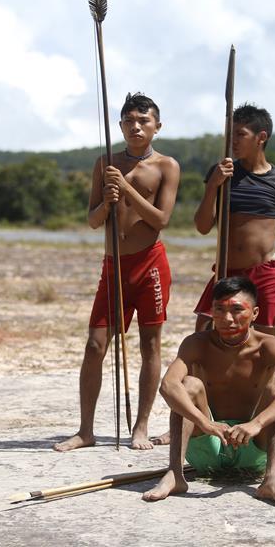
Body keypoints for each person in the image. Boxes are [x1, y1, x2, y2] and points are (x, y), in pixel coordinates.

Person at [54, 93, 180, 451]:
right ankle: (86, 430)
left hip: (150, 263)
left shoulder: (167, 166)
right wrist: (108, 202)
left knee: (150, 343)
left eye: (144, 121)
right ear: (121, 125)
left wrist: (126, 189)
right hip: (114, 265)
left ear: (157, 126)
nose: (135, 127)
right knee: (95, 345)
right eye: (129, 121)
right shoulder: (105, 163)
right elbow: (93, 222)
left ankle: (140, 427)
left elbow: (162, 220)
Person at [142, 276, 275, 505]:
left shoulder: (270, 346)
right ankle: (175, 474)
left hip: (252, 444)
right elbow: (168, 385)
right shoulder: (196, 343)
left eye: (237, 310)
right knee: (189, 385)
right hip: (208, 443)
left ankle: (271, 479)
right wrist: (204, 422)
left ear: (256, 313)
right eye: (219, 310)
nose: (227, 319)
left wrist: (256, 424)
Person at [193, 104, 275, 336]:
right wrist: (213, 185)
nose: (233, 140)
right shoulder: (222, 172)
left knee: (262, 345)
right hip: (227, 271)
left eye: (241, 134)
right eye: (230, 134)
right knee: (204, 333)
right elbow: (203, 227)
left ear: (261, 137)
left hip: (265, 274)